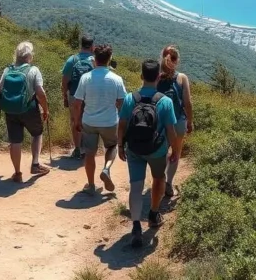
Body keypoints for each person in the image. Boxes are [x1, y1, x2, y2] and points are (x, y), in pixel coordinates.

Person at [118, 59, 179, 249]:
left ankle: (136, 226)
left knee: (135, 187)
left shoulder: (130, 98)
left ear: (141, 76)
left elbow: (122, 125)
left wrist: (120, 146)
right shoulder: (165, 101)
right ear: (159, 77)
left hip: (134, 149)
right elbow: (171, 130)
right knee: (158, 179)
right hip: (157, 151)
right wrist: (175, 151)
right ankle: (153, 213)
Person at [72, 44, 125, 195]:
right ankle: (106, 168)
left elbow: (77, 103)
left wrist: (77, 121)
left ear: (94, 59)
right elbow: (122, 103)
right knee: (112, 147)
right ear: (110, 59)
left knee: (89, 153)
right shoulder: (116, 79)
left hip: (89, 121)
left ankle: (91, 184)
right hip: (109, 121)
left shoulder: (86, 78)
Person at [0, 42, 50, 182]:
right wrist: (45, 109)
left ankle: (17, 173)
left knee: (15, 141)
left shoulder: (7, 70)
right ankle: (35, 163)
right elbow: (40, 93)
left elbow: (0, 88)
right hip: (29, 108)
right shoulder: (33, 70)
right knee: (37, 134)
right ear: (29, 56)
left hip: (11, 110)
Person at [157, 45, 194, 197]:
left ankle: (160, 179)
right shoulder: (182, 77)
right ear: (177, 60)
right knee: (176, 152)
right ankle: (169, 183)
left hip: (159, 122)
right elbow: (187, 102)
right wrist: (190, 121)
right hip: (178, 121)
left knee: (162, 152)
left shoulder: (156, 76)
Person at [61, 36, 95, 159]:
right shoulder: (94, 61)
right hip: (91, 97)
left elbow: (64, 82)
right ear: (92, 47)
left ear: (81, 45)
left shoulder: (72, 60)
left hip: (74, 95)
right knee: (89, 121)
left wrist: (65, 96)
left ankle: (77, 149)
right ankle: (88, 148)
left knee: (75, 120)